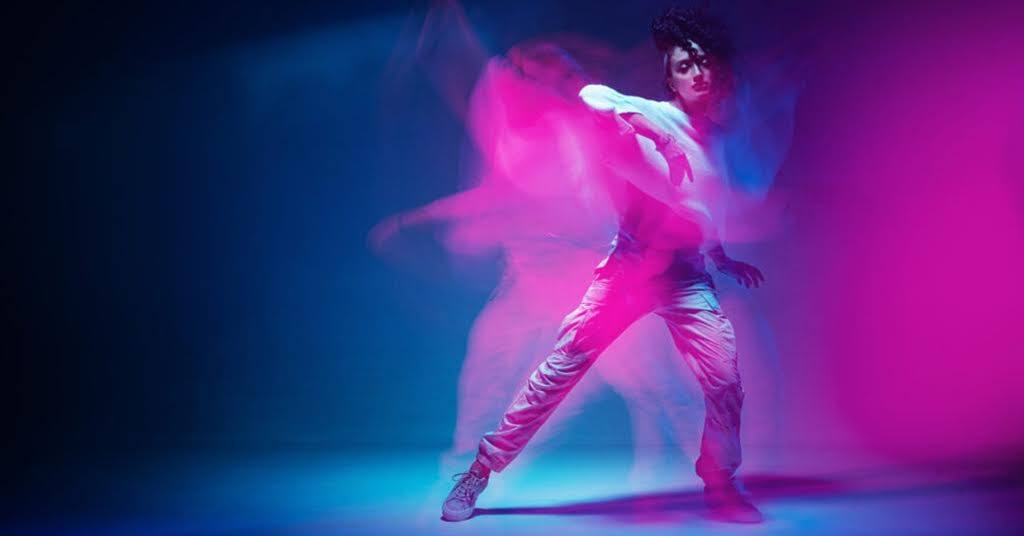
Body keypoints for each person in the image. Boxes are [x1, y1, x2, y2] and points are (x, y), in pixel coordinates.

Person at [441, 6, 766, 524]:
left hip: (685, 277)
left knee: (725, 380)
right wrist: (655, 134)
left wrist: (723, 256)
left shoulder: (715, 142)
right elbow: (594, 97)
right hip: (628, 274)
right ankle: (480, 471)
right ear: (671, 78)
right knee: (557, 373)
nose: (698, 74)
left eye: (704, 64)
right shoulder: (651, 112)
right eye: (684, 66)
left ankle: (720, 481)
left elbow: (703, 208)